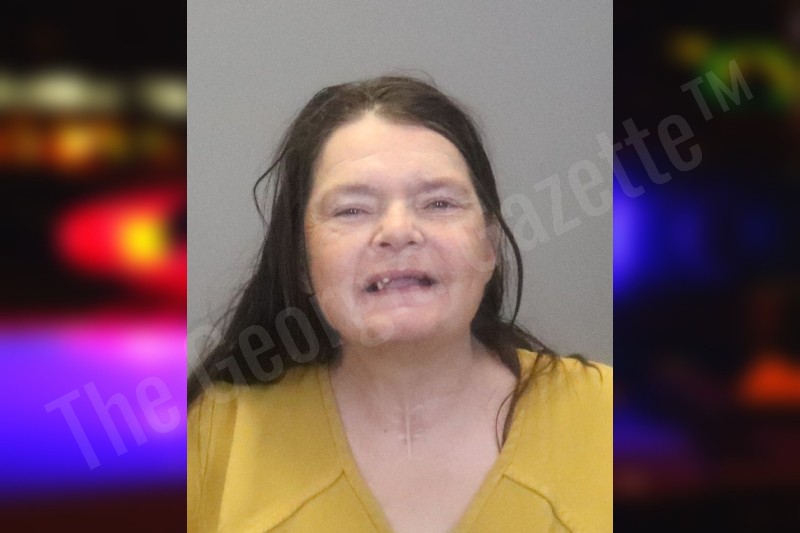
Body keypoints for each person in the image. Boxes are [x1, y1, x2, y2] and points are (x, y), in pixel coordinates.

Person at [187, 75, 611, 532]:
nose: (398, 231)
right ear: (302, 262)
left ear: (489, 245)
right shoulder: (214, 433)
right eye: (352, 209)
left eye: (439, 203)